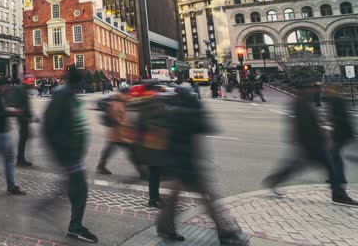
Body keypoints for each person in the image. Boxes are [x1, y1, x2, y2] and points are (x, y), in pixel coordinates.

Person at [156, 86, 246, 244]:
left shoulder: (173, 112)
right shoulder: (192, 112)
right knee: (207, 198)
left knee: (176, 197)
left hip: (179, 161)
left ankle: (165, 226)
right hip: (189, 163)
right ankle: (224, 232)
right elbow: (199, 136)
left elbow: (167, 138)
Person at [264, 83, 358, 206]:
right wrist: (314, 142)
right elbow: (304, 127)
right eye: (313, 88)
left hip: (311, 145)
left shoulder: (304, 102)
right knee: (332, 170)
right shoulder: (300, 104)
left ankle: (275, 180)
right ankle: (339, 195)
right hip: (312, 145)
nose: (316, 90)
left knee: (297, 166)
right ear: (305, 89)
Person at [43, 66, 97, 243]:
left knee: (73, 189)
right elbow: (49, 125)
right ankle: (73, 226)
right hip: (69, 153)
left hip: (73, 153)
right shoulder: (63, 95)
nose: (83, 83)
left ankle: (65, 218)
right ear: (76, 81)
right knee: (79, 190)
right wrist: (62, 151)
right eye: (82, 80)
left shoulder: (70, 95)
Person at [96, 94, 141, 177]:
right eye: (126, 94)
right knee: (132, 152)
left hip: (115, 134)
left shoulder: (115, 103)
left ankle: (101, 166)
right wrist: (125, 125)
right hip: (120, 133)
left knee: (109, 149)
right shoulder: (118, 105)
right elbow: (117, 119)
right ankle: (142, 171)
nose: (127, 96)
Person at [325, 85, 355, 196]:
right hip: (339, 134)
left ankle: (338, 178)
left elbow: (342, 117)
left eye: (329, 88)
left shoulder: (337, 100)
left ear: (335, 90)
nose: (326, 89)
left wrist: (331, 118)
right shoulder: (335, 100)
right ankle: (338, 178)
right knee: (335, 156)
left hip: (341, 134)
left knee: (334, 156)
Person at [13, 80, 33, 167]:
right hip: (22, 117)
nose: (32, 84)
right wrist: (27, 116)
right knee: (23, 138)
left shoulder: (22, 89)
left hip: (23, 117)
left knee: (24, 138)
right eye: (31, 82)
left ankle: (21, 158)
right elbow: (23, 105)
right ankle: (20, 159)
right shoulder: (22, 89)